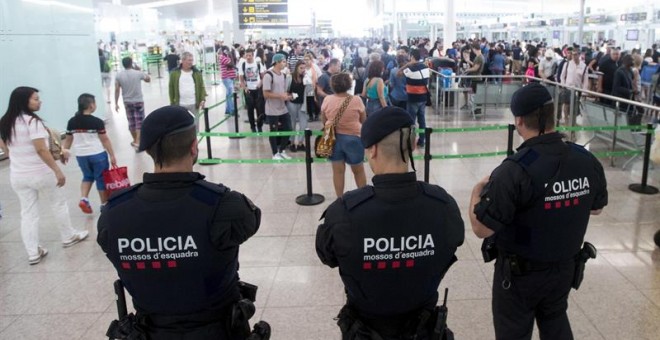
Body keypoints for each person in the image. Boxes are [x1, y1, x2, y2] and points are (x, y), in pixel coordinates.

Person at [97, 105, 269, 339]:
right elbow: (251, 223)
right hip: (219, 330)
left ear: (148, 150)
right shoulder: (224, 205)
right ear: (193, 147)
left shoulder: (113, 213)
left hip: (150, 331)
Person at [469, 83, 608, 340]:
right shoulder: (585, 159)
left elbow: (482, 228)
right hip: (565, 267)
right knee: (555, 320)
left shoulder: (515, 170)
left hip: (520, 275)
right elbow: (597, 208)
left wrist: (476, 192)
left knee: (514, 330)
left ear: (519, 121)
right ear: (552, 114)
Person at [316, 106, 464, 340]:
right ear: (413, 145)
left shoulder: (344, 212)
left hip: (365, 330)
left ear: (372, 149)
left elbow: (328, 256)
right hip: (424, 329)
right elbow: (453, 243)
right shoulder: (443, 205)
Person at [0, 87, 89, 265]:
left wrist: (17, 157)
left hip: (18, 175)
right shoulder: (32, 122)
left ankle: (33, 253)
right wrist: (57, 170)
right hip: (41, 173)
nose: (39, 102)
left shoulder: (5, 122)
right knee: (58, 203)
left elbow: (5, 148)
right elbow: (41, 149)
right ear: (24, 101)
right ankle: (68, 236)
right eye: (35, 99)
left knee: (28, 214)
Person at [61, 93, 117, 214]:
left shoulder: (72, 121)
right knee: (101, 179)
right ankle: (104, 204)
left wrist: (64, 152)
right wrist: (112, 155)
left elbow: (68, 140)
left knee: (87, 176)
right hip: (97, 154)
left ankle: (84, 198)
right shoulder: (97, 122)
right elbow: (105, 139)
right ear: (91, 105)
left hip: (81, 156)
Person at [320, 72, 367, 197]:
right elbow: (364, 121)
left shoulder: (327, 99)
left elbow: (324, 121)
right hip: (354, 139)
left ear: (332, 86)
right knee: (358, 170)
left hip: (333, 139)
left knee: (338, 172)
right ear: (349, 85)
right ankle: (363, 197)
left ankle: (339, 200)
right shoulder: (356, 100)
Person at [115, 56, 151, 150]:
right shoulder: (137, 73)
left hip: (127, 102)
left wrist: (116, 103)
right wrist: (141, 71)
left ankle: (135, 140)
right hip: (138, 100)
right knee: (140, 122)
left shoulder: (119, 75)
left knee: (131, 122)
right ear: (131, 63)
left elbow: (117, 90)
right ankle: (138, 142)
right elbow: (148, 79)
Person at [262, 53, 293, 160]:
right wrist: (280, 96)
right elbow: (266, 94)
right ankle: (275, 153)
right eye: (283, 61)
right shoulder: (268, 75)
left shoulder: (283, 75)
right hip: (272, 109)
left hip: (282, 108)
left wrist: (288, 96)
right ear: (277, 62)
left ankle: (282, 150)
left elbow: (283, 91)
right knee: (273, 131)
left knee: (288, 128)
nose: (285, 64)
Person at [401, 49, 430, 147]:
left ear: (412, 57)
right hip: (423, 97)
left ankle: (411, 141)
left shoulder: (410, 69)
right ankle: (422, 141)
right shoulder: (426, 67)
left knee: (411, 120)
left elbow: (398, 73)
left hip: (413, 98)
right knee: (422, 120)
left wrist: (408, 64)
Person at [239, 48, 266, 132]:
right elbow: (241, 79)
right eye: (246, 55)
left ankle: (259, 125)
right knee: (250, 109)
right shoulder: (243, 65)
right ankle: (252, 126)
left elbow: (263, 76)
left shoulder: (258, 64)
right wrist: (245, 88)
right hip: (248, 90)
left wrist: (260, 84)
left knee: (259, 109)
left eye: (250, 55)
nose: (248, 57)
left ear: (253, 55)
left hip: (258, 89)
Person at [286, 60, 308, 152]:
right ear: (296, 68)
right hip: (292, 104)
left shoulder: (305, 78)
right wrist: (289, 96)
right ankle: (291, 142)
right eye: (301, 68)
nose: (302, 70)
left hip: (302, 104)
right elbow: (286, 90)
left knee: (304, 124)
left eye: (304, 68)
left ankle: (300, 143)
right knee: (292, 123)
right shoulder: (290, 77)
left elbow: (309, 90)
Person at [219, 46, 237, 115]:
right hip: (227, 78)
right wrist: (231, 55)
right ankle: (232, 110)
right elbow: (231, 64)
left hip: (230, 78)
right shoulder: (222, 57)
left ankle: (227, 109)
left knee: (228, 94)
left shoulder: (226, 57)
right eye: (227, 50)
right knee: (230, 94)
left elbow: (233, 64)